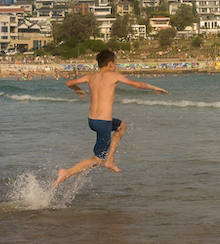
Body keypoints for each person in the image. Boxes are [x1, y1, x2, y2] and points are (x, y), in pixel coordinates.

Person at [55, 49, 169, 187]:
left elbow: (68, 83)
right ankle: (67, 173)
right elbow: (138, 84)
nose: (116, 66)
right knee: (97, 161)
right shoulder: (113, 75)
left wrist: (78, 89)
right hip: (104, 123)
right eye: (115, 63)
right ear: (110, 64)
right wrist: (154, 87)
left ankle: (110, 159)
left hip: (92, 120)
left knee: (121, 126)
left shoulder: (91, 77)